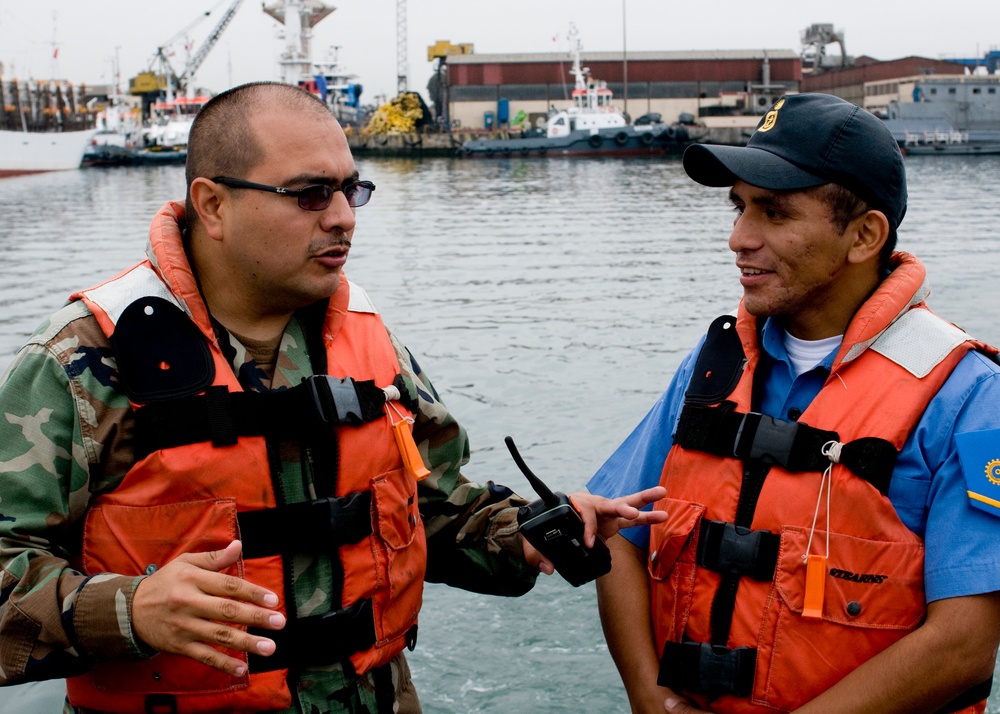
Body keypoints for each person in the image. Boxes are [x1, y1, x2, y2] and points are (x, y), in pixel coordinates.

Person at [0, 81, 665, 714]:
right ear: (212, 205)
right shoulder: (81, 364)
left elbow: (425, 506)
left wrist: (523, 534)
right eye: (311, 195)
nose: (344, 218)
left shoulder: (368, 342)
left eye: (351, 189)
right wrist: (130, 609)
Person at [587, 93, 1000, 714]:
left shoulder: (971, 395)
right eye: (738, 207)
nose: (737, 239)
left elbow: (964, 642)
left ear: (865, 236)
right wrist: (650, 697)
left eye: (773, 213)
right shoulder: (716, 364)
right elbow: (620, 532)